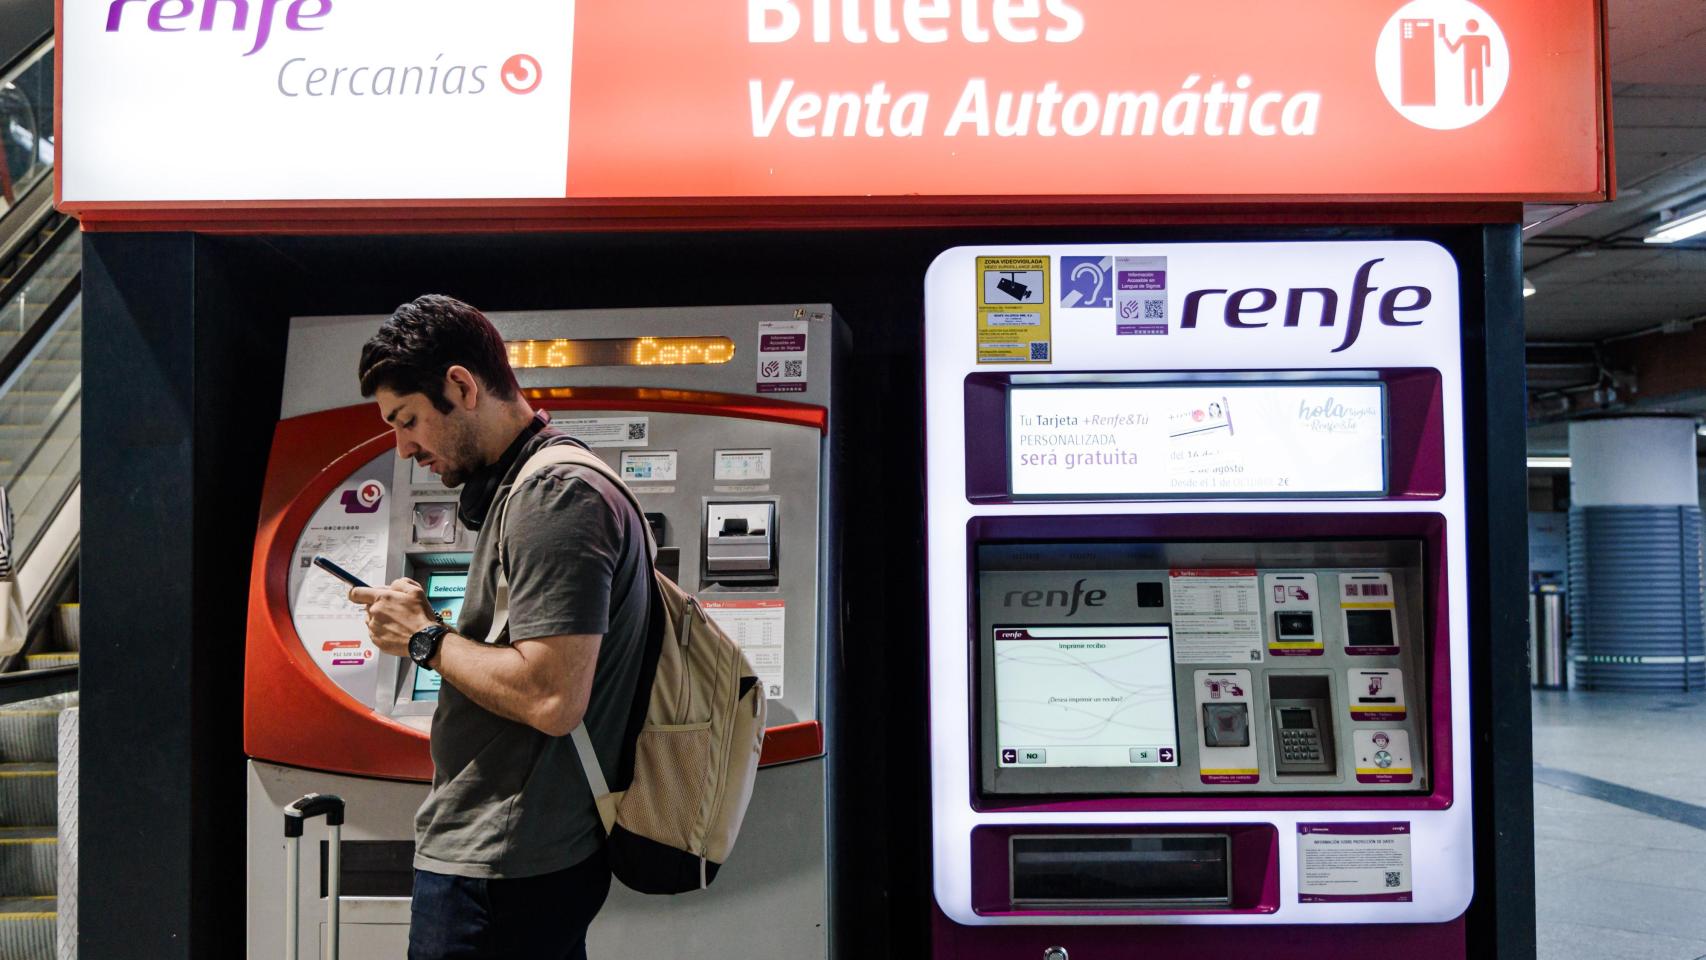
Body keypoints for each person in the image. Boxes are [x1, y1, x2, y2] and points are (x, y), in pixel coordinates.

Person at [351, 294, 652, 959]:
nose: (404, 448)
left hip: (502, 864)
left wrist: (424, 639)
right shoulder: (538, 484)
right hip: (516, 856)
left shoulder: (553, 496)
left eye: (408, 420)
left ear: (462, 386)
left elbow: (552, 697)